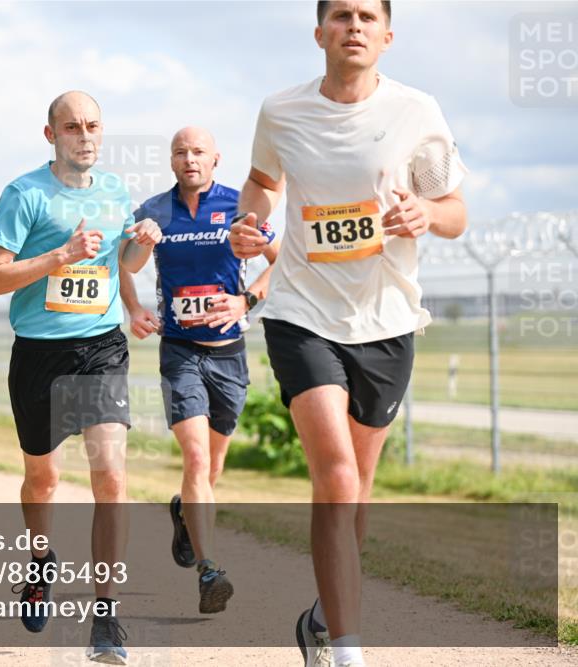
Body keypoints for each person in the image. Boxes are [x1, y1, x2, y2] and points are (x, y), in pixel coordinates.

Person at [230, 3, 468, 665]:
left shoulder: (417, 112)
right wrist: (250, 223)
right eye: (340, 15)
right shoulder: (282, 112)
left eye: (367, 16)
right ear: (320, 33)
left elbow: (456, 212)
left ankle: (320, 617)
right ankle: (347, 649)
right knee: (335, 475)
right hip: (301, 313)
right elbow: (261, 183)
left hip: (387, 321)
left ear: (387, 36)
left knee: (357, 488)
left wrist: (427, 214)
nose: (354, 26)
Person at [0, 90, 161, 665]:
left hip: (101, 348)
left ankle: (106, 616)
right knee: (43, 481)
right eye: (73, 126)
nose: (85, 135)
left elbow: (122, 264)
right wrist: (60, 255)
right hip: (38, 353)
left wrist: (141, 244)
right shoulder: (24, 194)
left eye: (93, 126)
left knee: (111, 477)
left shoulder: (115, 191)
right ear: (50, 134)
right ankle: (40, 562)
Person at [119, 126, 277, 614]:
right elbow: (125, 263)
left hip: (229, 352)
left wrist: (245, 300)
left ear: (215, 159)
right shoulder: (153, 211)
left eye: (198, 152)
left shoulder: (240, 206)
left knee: (213, 466)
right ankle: (209, 570)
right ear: (171, 161)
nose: (190, 159)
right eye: (181, 152)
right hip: (180, 350)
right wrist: (135, 308)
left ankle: (185, 515)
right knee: (195, 459)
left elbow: (284, 262)